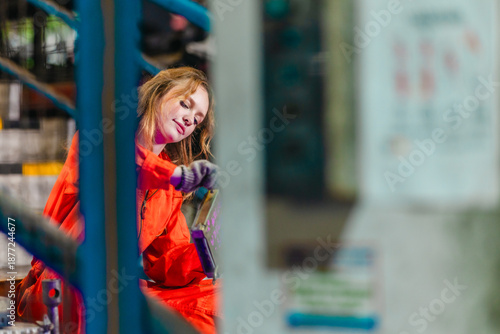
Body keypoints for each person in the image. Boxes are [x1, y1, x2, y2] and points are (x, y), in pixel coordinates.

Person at [16, 67, 221, 333]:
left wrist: (209, 250)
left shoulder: (171, 187)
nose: (189, 119)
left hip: (119, 296)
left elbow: (167, 265)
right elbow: (127, 167)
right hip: (62, 286)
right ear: (157, 94)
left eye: (197, 119)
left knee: (220, 297)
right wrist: (175, 176)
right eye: (185, 104)